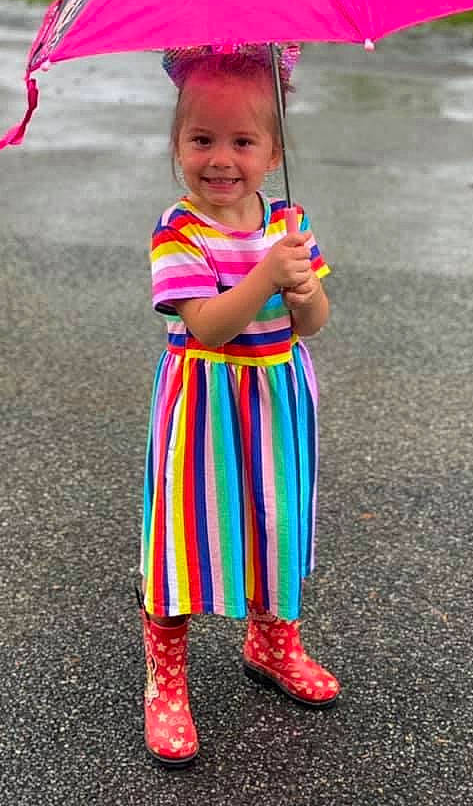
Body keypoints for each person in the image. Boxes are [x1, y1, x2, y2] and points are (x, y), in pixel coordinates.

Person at [138, 44, 339, 768]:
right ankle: (166, 682)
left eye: (243, 142)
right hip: (205, 406)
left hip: (278, 399)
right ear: (177, 145)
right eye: (201, 140)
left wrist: (305, 288)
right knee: (187, 536)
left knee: (273, 522)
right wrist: (263, 277)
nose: (221, 159)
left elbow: (312, 321)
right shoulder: (180, 230)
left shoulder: (288, 221)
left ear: (275, 149)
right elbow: (207, 325)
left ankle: (271, 639)